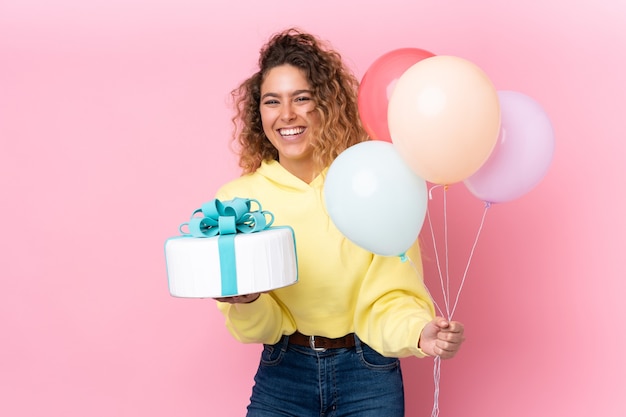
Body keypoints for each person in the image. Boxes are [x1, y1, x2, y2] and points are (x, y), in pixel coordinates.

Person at [214, 28, 465, 417]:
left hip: (369, 372)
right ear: (257, 112)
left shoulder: (373, 182)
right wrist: (247, 301)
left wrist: (419, 332)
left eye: (302, 98)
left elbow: (391, 296)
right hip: (285, 372)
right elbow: (258, 328)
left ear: (326, 104)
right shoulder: (235, 204)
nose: (287, 115)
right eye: (272, 101)